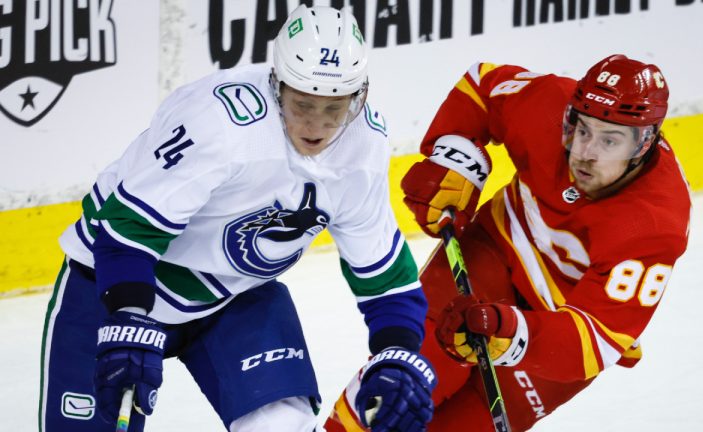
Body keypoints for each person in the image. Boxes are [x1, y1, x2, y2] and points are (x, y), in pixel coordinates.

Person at [38, 5, 436, 432]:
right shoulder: (220, 124)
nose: (318, 125)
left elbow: (385, 275)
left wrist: (399, 350)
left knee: (283, 424)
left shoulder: (363, 145)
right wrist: (129, 313)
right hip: (115, 284)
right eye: (303, 104)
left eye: (335, 108)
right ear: (276, 84)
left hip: (235, 297)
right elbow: (127, 228)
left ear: (359, 96)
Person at [325, 55, 691, 431]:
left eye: (610, 140)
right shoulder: (546, 102)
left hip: (554, 331)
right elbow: (481, 85)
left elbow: (596, 340)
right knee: (397, 391)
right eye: (582, 130)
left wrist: (516, 335)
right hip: (493, 251)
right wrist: (454, 158)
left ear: (644, 143)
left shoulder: (656, 224)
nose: (586, 153)